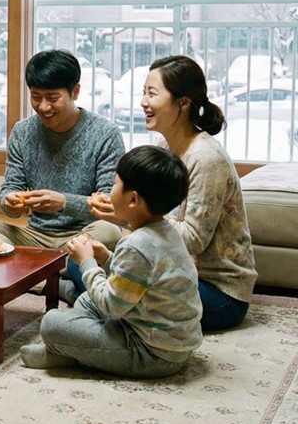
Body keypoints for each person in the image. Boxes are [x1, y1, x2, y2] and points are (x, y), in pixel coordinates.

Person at [88, 55, 257, 331]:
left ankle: (85, 297)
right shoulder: (163, 145)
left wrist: (127, 219)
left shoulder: (206, 158)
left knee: (102, 281)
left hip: (216, 289)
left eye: (152, 94)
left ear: (184, 102)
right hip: (168, 269)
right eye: (144, 92)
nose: (143, 101)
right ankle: (92, 296)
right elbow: (148, 210)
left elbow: (193, 239)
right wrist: (121, 211)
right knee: (83, 260)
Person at [20, 146, 203, 378]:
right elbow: (138, 280)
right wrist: (106, 258)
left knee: (51, 323)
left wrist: (87, 263)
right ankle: (77, 349)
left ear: (133, 199)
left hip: (151, 353)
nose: (109, 190)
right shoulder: (165, 230)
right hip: (170, 342)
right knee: (87, 299)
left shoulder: (137, 244)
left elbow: (111, 306)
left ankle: (69, 352)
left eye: (115, 184)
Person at [0, 49, 124, 251]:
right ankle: (51, 264)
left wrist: (63, 202)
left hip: (84, 234)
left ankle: (25, 263)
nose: (43, 107)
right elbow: (10, 188)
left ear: (76, 91)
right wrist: (10, 203)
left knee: (110, 231)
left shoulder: (105, 134)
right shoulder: (22, 131)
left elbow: (109, 206)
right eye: (36, 96)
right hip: (34, 235)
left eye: (53, 98)